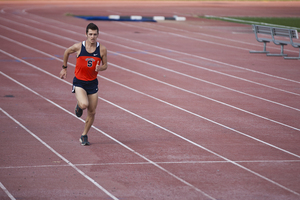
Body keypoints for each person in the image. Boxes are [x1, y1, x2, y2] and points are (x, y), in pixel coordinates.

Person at [59, 23, 107, 146]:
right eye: (90, 34)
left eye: (95, 34)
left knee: (92, 112)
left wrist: (100, 68)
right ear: (86, 34)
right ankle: (79, 106)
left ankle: (84, 135)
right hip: (79, 82)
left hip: (92, 83)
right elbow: (66, 52)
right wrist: (64, 68)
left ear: (98, 35)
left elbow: (105, 65)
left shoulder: (102, 49)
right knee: (84, 104)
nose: (92, 37)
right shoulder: (79, 47)